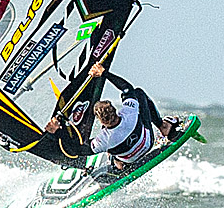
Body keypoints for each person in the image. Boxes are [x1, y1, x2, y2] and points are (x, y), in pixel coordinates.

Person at [44, 63, 182, 171]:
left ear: (101, 121)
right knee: (138, 93)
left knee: (111, 149)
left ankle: (118, 162)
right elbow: (127, 88)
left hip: (130, 159)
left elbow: (77, 150)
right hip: (148, 143)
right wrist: (104, 73)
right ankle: (163, 127)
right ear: (115, 110)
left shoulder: (103, 140)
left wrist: (58, 131)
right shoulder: (129, 112)